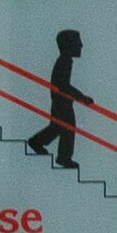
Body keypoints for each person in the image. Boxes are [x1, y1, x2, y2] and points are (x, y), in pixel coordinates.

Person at [26, 29, 90, 167]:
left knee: (59, 128)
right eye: (78, 42)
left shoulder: (65, 61)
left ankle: (44, 146)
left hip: (61, 102)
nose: (81, 46)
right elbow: (63, 85)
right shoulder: (65, 62)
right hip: (62, 102)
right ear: (69, 44)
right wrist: (82, 97)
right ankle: (61, 156)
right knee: (65, 128)